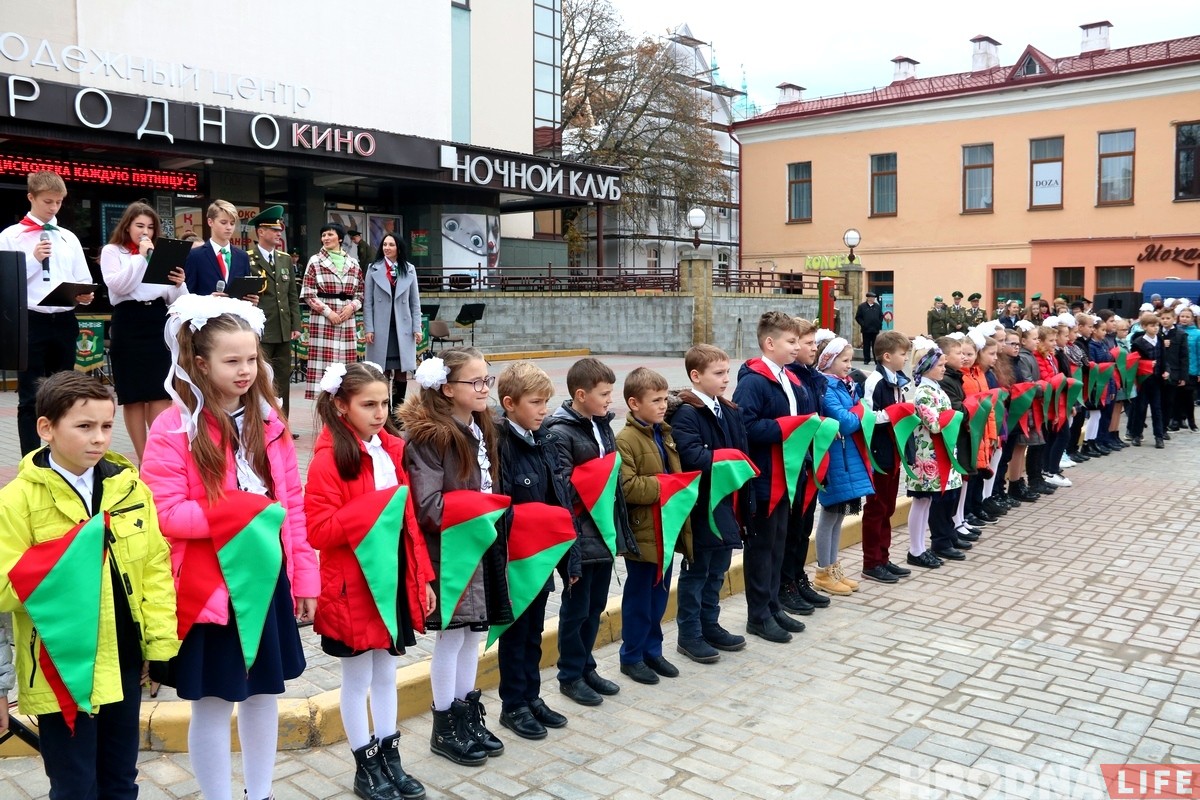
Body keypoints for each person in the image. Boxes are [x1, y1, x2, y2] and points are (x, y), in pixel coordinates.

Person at [141, 296, 318, 800]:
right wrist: (237, 516)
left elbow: (293, 508)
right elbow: (165, 513)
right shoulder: (173, 429)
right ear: (199, 363)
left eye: (252, 359)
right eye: (231, 361)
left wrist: (305, 577)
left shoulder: (269, 422)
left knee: (264, 696)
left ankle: (260, 793)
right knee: (215, 702)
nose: (245, 371)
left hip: (269, 580)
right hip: (211, 590)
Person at [0, 372, 179, 799]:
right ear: (46, 428)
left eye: (106, 425)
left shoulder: (130, 488)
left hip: (124, 660)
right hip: (60, 669)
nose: (98, 439)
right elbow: (5, 587)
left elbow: (155, 566)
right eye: (84, 427)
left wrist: (160, 646)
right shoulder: (17, 500)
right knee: (75, 786)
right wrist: (71, 556)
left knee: (120, 779)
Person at [305, 362, 434, 800]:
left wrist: (425, 579)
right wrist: (370, 516)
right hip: (353, 585)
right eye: (368, 405)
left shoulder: (394, 449)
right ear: (341, 406)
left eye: (384, 403)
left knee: (386, 672)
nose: (380, 413)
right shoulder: (329, 460)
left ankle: (390, 755)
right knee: (357, 677)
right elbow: (318, 530)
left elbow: (410, 521)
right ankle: (365, 764)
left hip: (394, 575)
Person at [398, 348, 511, 766]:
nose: (485, 389)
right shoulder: (431, 437)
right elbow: (428, 504)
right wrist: (480, 510)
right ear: (447, 388)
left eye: (488, 380)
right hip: (450, 552)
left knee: (473, 635)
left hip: (479, 544)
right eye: (475, 382)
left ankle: (467, 713)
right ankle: (444, 724)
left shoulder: (481, 428)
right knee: (450, 637)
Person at [541, 358, 638, 707]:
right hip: (578, 534)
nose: (610, 400)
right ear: (580, 395)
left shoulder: (602, 425)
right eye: (604, 394)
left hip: (603, 531)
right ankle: (569, 674)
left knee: (596, 605)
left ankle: (587, 666)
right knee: (576, 608)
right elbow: (563, 486)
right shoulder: (559, 431)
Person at [493, 362, 574, 741]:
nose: (544, 410)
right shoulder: (500, 444)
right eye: (536, 402)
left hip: (541, 556)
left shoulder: (544, 440)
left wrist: (566, 558)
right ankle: (513, 704)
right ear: (509, 403)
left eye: (546, 402)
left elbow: (560, 500)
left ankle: (532, 695)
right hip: (517, 558)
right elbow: (503, 505)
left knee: (535, 631)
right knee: (516, 632)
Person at [0, 171, 96, 455]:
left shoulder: (68, 238)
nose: (53, 208)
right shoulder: (11, 236)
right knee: (30, 396)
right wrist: (33, 259)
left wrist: (85, 295)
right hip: (30, 320)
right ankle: (30, 459)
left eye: (58, 202)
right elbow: (6, 282)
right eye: (47, 201)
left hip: (64, 320)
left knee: (64, 394)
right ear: (31, 197)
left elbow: (82, 276)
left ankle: (62, 455)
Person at [671, 344, 752, 662]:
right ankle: (689, 634)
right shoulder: (687, 413)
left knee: (718, 569)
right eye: (718, 373)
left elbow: (741, 451)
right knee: (696, 572)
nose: (726, 379)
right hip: (701, 506)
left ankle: (710, 624)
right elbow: (692, 457)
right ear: (696, 375)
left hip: (726, 506)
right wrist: (728, 459)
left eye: (727, 372)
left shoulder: (728, 409)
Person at [731, 312, 807, 644]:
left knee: (778, 545)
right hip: (764, 479)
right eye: (791, 342)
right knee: (761, 548)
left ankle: (773, 606)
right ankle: (758, 615)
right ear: (770, 343)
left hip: (785, 476)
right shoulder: (753, 380)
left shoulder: (788, 376)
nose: (796, 347)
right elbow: (744, 428)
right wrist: (785, 429)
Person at [615, 367, 689, 684]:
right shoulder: (626, 440)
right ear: (634, 403)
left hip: (666, 530)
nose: (663, 405)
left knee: (658, 596)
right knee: (638, 599)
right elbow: (628, 488)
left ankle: (653, 650)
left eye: (664, 398)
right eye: (655, 400)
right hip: (643, 533)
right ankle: (631, 656)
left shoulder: (664, 432)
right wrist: (667, 486)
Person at [100, 201, 188, 461]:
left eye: (150, 227)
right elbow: (119, 286)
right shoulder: (113, 251)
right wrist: (140, 256)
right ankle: (142, 458)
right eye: (139, 226)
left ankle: (158, 457)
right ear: (127, 226)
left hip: (157, 320)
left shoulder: (162, 253)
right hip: (128, 321)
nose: (145, 231)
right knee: (134, 396)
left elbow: (176, 299)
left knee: (160, 393)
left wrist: (181, 284)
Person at [811, 337, 874, 595]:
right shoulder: (827, 387)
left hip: (846, 458)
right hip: (834, 460)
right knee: (828, 516)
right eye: (844, 360)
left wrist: (858, 410)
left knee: (838, 516)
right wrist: (860, 411)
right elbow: (846, 421)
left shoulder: (845, 386)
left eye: (850, 360)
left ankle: (834, 567)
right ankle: (823, 571)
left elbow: (855, 414)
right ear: (828, 361)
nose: (850, 365)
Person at [904, 341, 965, 566]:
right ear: (927, 366)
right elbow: (935, 424)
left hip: (938, 451)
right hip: (926, 454)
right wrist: (955, 417)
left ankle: (920, 548)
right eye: (939, 364)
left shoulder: (935, 388)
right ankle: (915, 549)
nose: (943, 368)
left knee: (927, 502)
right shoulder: (923, 392)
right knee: (921, 501)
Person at [859, 331, 913, 584]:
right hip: (878, 451)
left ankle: (884, 557)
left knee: (888, 507)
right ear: (888, 356)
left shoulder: (898, 379)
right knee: (876, 507)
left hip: (893, 451)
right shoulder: (875, 381)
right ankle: (871, 562)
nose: (906, 359)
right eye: (903, 354)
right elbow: (868, 417)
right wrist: (896, 413)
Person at [246, 206, 302, 427]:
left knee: (282, 379)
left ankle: (282, 423)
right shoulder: (248, 258)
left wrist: (295, 324)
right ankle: (260, 423)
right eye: (274, 229)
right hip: (261, 329)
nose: (279, 233)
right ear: (261, 231)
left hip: (283, 329)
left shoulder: (285, 259)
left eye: (280, 229)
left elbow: (291, 296)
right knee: (260, 379)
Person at [301, 223, 365, 400]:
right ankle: (325, 415)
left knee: (346, 368)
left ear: (340, 238)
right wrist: (328, 312)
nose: (326, 238)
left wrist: (352, 307)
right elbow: (308, 293)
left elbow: (361, 293)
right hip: (323, 320)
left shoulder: (353, 263)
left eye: (330, 234)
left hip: (347, 319)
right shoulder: (315, 261)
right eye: (323, 235)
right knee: (324, 367)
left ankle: (344, 411)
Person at [364, 233, 423, 408]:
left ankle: (398, 411)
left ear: (398, 248)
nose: (387, 248)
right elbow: (368, 302)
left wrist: (417, 327)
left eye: (391, 245)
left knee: (401, 372)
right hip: (381, 328)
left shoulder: (409, 269)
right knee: (381, 372)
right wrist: (369, 328)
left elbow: (415, 302)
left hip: (402, 328)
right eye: (384, 245)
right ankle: (383, 409)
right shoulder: (373, 268)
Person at [183, 200, 254, 298]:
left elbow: (245, 292)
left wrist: (251, 300)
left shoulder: (242, 256)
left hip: (235, 312)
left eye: (232, 223)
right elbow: (187, 295)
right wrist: (207, 300)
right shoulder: (195, 255)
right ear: (210, 222)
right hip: (206, 312)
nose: (229, 227)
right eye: (223, 222)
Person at [1129, 312, 1166, 448]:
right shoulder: (1138, 342)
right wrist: (1147, 365)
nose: (1155, 328)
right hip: (1143, 380)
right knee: (1141, 408)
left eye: (1157, 325)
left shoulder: (1160, 340)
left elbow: (1163, 358)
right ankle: (1137, 435)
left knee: (1157, 409)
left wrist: (1165, 370)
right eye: (1152, 326)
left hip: (1156, 380)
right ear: (1144, 327)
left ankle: (1159, 436)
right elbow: (1134, 362)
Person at [1159, 306, 1186, 433]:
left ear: (1174, 319)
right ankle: (1159, 427)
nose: (1165, 321)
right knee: (1158, 402)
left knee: (1170, 401)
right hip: (1159, 371)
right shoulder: (1157, 332)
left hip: (1174, 372)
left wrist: (1183, 376)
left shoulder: (1180, 334)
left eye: (1168, 318)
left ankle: (1165, 426)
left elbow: (1184, 357)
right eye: (1162, 318)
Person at [1175, 305, 1199, 431]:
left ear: (1193, 318)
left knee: (1189, 397)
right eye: (1182, 316)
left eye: (1187, 317)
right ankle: (1178, 420)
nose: (1184, 319)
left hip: (1191, 369)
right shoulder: (1175, 331)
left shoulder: (1197, 334)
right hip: (1177, 369)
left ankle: (1191, 421)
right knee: (1177, 396)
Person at [855, 291, 884, 364]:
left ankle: (876, 360)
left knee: (875, 345)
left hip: (875, 329)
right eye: (872, 298)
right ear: (868, 298)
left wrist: (879, 323)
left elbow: (881, 316)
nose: (873, 299)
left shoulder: (877, 306)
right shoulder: (862, 306)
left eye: (874, 298)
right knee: (866, 345)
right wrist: (863, 324)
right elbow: (858, 317)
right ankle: (866, 359)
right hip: (866, 329)